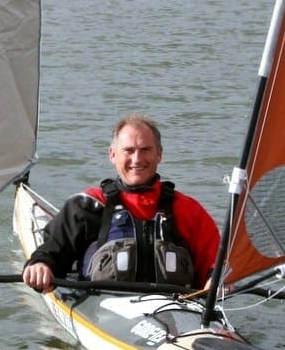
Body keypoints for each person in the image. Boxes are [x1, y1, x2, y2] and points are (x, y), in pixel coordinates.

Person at [22, 113, 221, 293]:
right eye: (128, 150)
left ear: (159, 154)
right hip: (103, 310)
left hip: (175, 309)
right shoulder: (87, 206)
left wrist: (217, 278)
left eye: (145, 150)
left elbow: (218, 260)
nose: (137, 159)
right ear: (112, 154)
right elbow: (52, 249)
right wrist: (41, 265)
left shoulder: (188, 210)